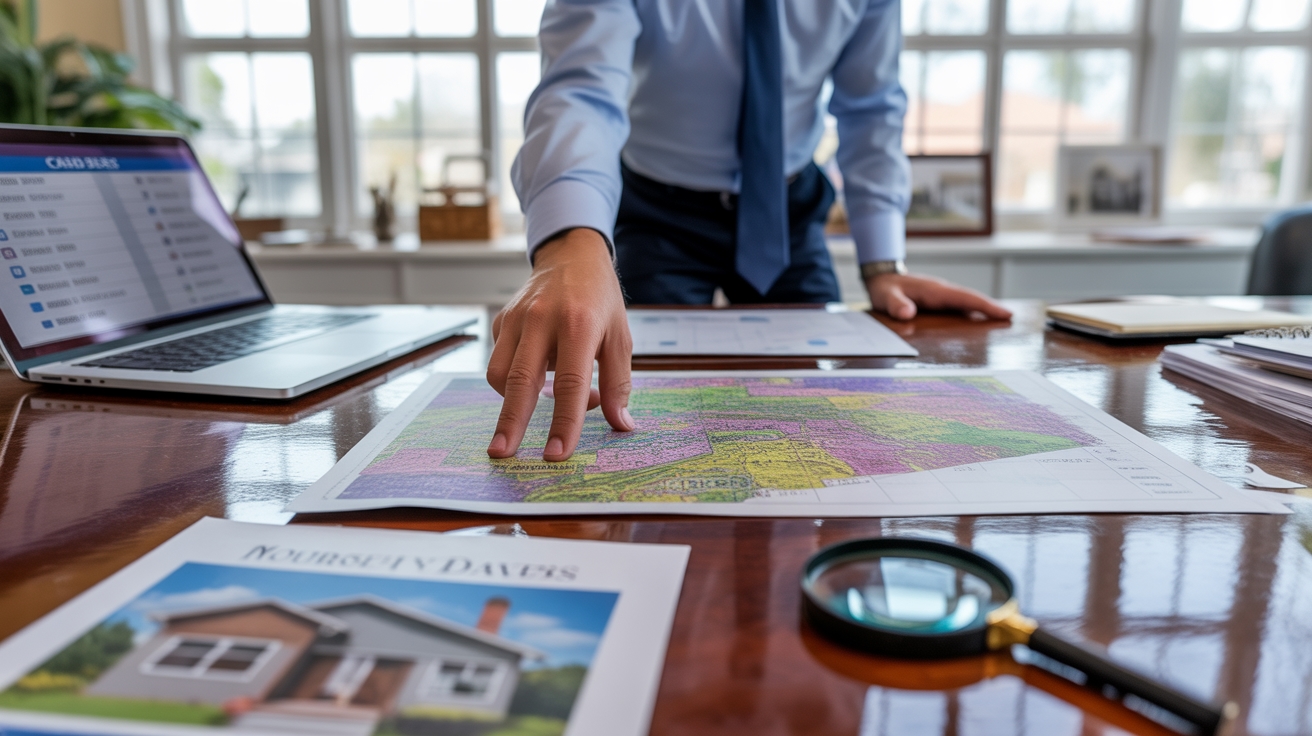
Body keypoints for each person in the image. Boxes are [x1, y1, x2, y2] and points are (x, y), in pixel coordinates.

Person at [486, 0, 1012, 463]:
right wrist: (570, 245)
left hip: (787, 209)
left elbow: (871, 106)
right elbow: (581, 89)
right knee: (634, 407)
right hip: (658, 209)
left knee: (826, 413)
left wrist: (882, 264)